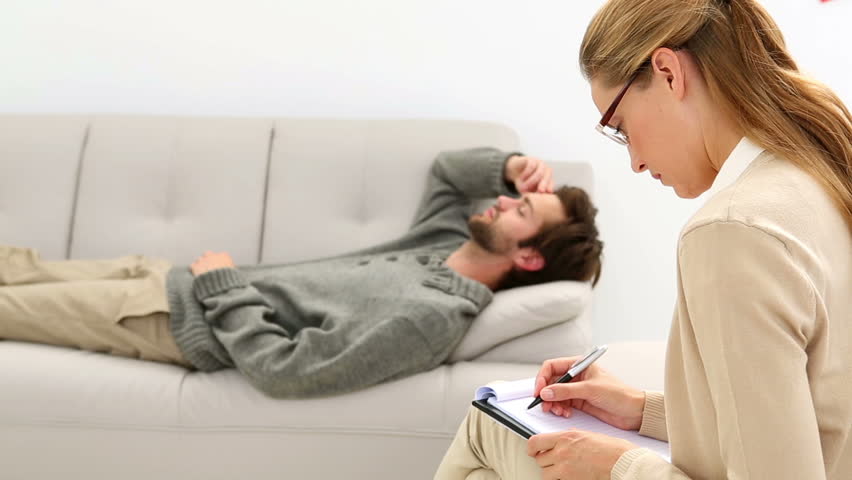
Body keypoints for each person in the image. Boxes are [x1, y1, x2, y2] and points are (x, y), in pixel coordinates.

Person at [434, 0, 852, 478]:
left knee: (486, 427)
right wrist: (640, 410)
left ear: (669, 73)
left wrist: (618, 465)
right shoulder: (821, 173)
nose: (633, 160)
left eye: (620, 127)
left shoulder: (732, 232)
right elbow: (803, 419)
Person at [0, 147, 603, 399]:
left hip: (170, 317)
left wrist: (222, 287)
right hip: (166, 276)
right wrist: (511, 168)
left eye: (520, 212)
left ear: (527, 258)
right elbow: (449, 172)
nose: (500, 203)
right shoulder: (442, 240)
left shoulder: (433, 318)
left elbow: (290, 372)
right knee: (15, 266)